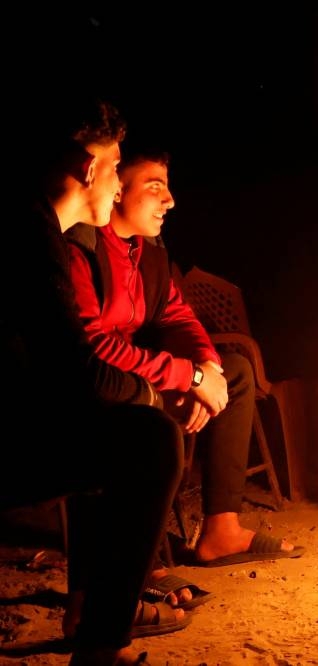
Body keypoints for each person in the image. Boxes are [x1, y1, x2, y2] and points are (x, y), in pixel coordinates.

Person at [3, 95, 186, 665]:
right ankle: (101, 645)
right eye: (115, 167)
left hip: (24, 418)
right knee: (152, 441)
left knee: (123, 431)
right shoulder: (31, 240)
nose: (115, 182)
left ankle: (93, 615)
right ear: (89, 169)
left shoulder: (39, 231)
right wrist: (155, 392)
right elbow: (79, 371)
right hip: (9, 438)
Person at [64, 148, 304, 569]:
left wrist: (208, 366)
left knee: (237, 372)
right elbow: (94, 346)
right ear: (118, 190)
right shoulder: (81, 247)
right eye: (155, 187)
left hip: (139, 374)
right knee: (146, 420)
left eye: (168, 187)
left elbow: (176, 314)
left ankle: (221, 530)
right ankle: (141, 564)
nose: (170, 200)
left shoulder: (150, 250)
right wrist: (189, 377)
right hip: (91, 386)